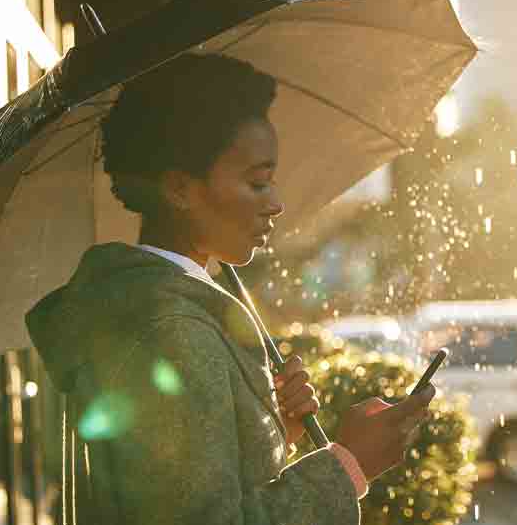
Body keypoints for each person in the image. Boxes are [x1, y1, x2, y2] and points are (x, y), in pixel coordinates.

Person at [25, 54, 435, 525]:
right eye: (257, 182)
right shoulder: (172, 331)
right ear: (179, 189)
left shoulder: (148, 309)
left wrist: (273, 428)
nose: (276, 204)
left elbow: (176, 493)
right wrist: (349, 464)